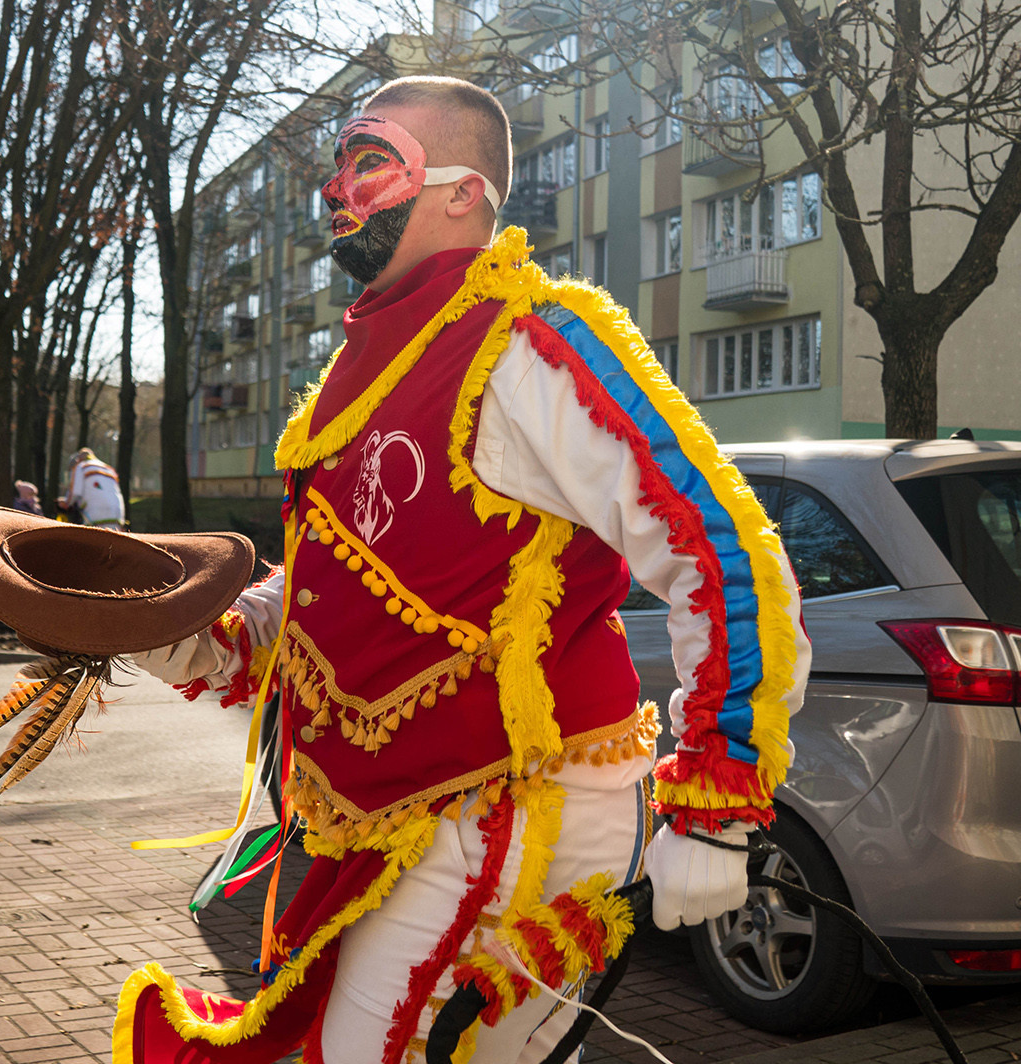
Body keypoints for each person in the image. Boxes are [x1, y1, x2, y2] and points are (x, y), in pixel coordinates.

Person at [101, 76, 809, 1062]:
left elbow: (727, 553)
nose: (338, 193)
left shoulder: (531, 340)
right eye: (337, 169)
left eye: (369, 162)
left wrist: (717, 798)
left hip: (514, 804)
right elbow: (318, 595)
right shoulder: (354, 375)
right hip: (391, 823)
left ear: (463, 190)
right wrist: (170, 629)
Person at [58, 447, 126, 528]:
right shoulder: (109, 469)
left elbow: (75, 493)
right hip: (117, 514)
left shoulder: (81, 467)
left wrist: (66, 503)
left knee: (96, 539)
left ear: (79, 459)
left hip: (95, 514)